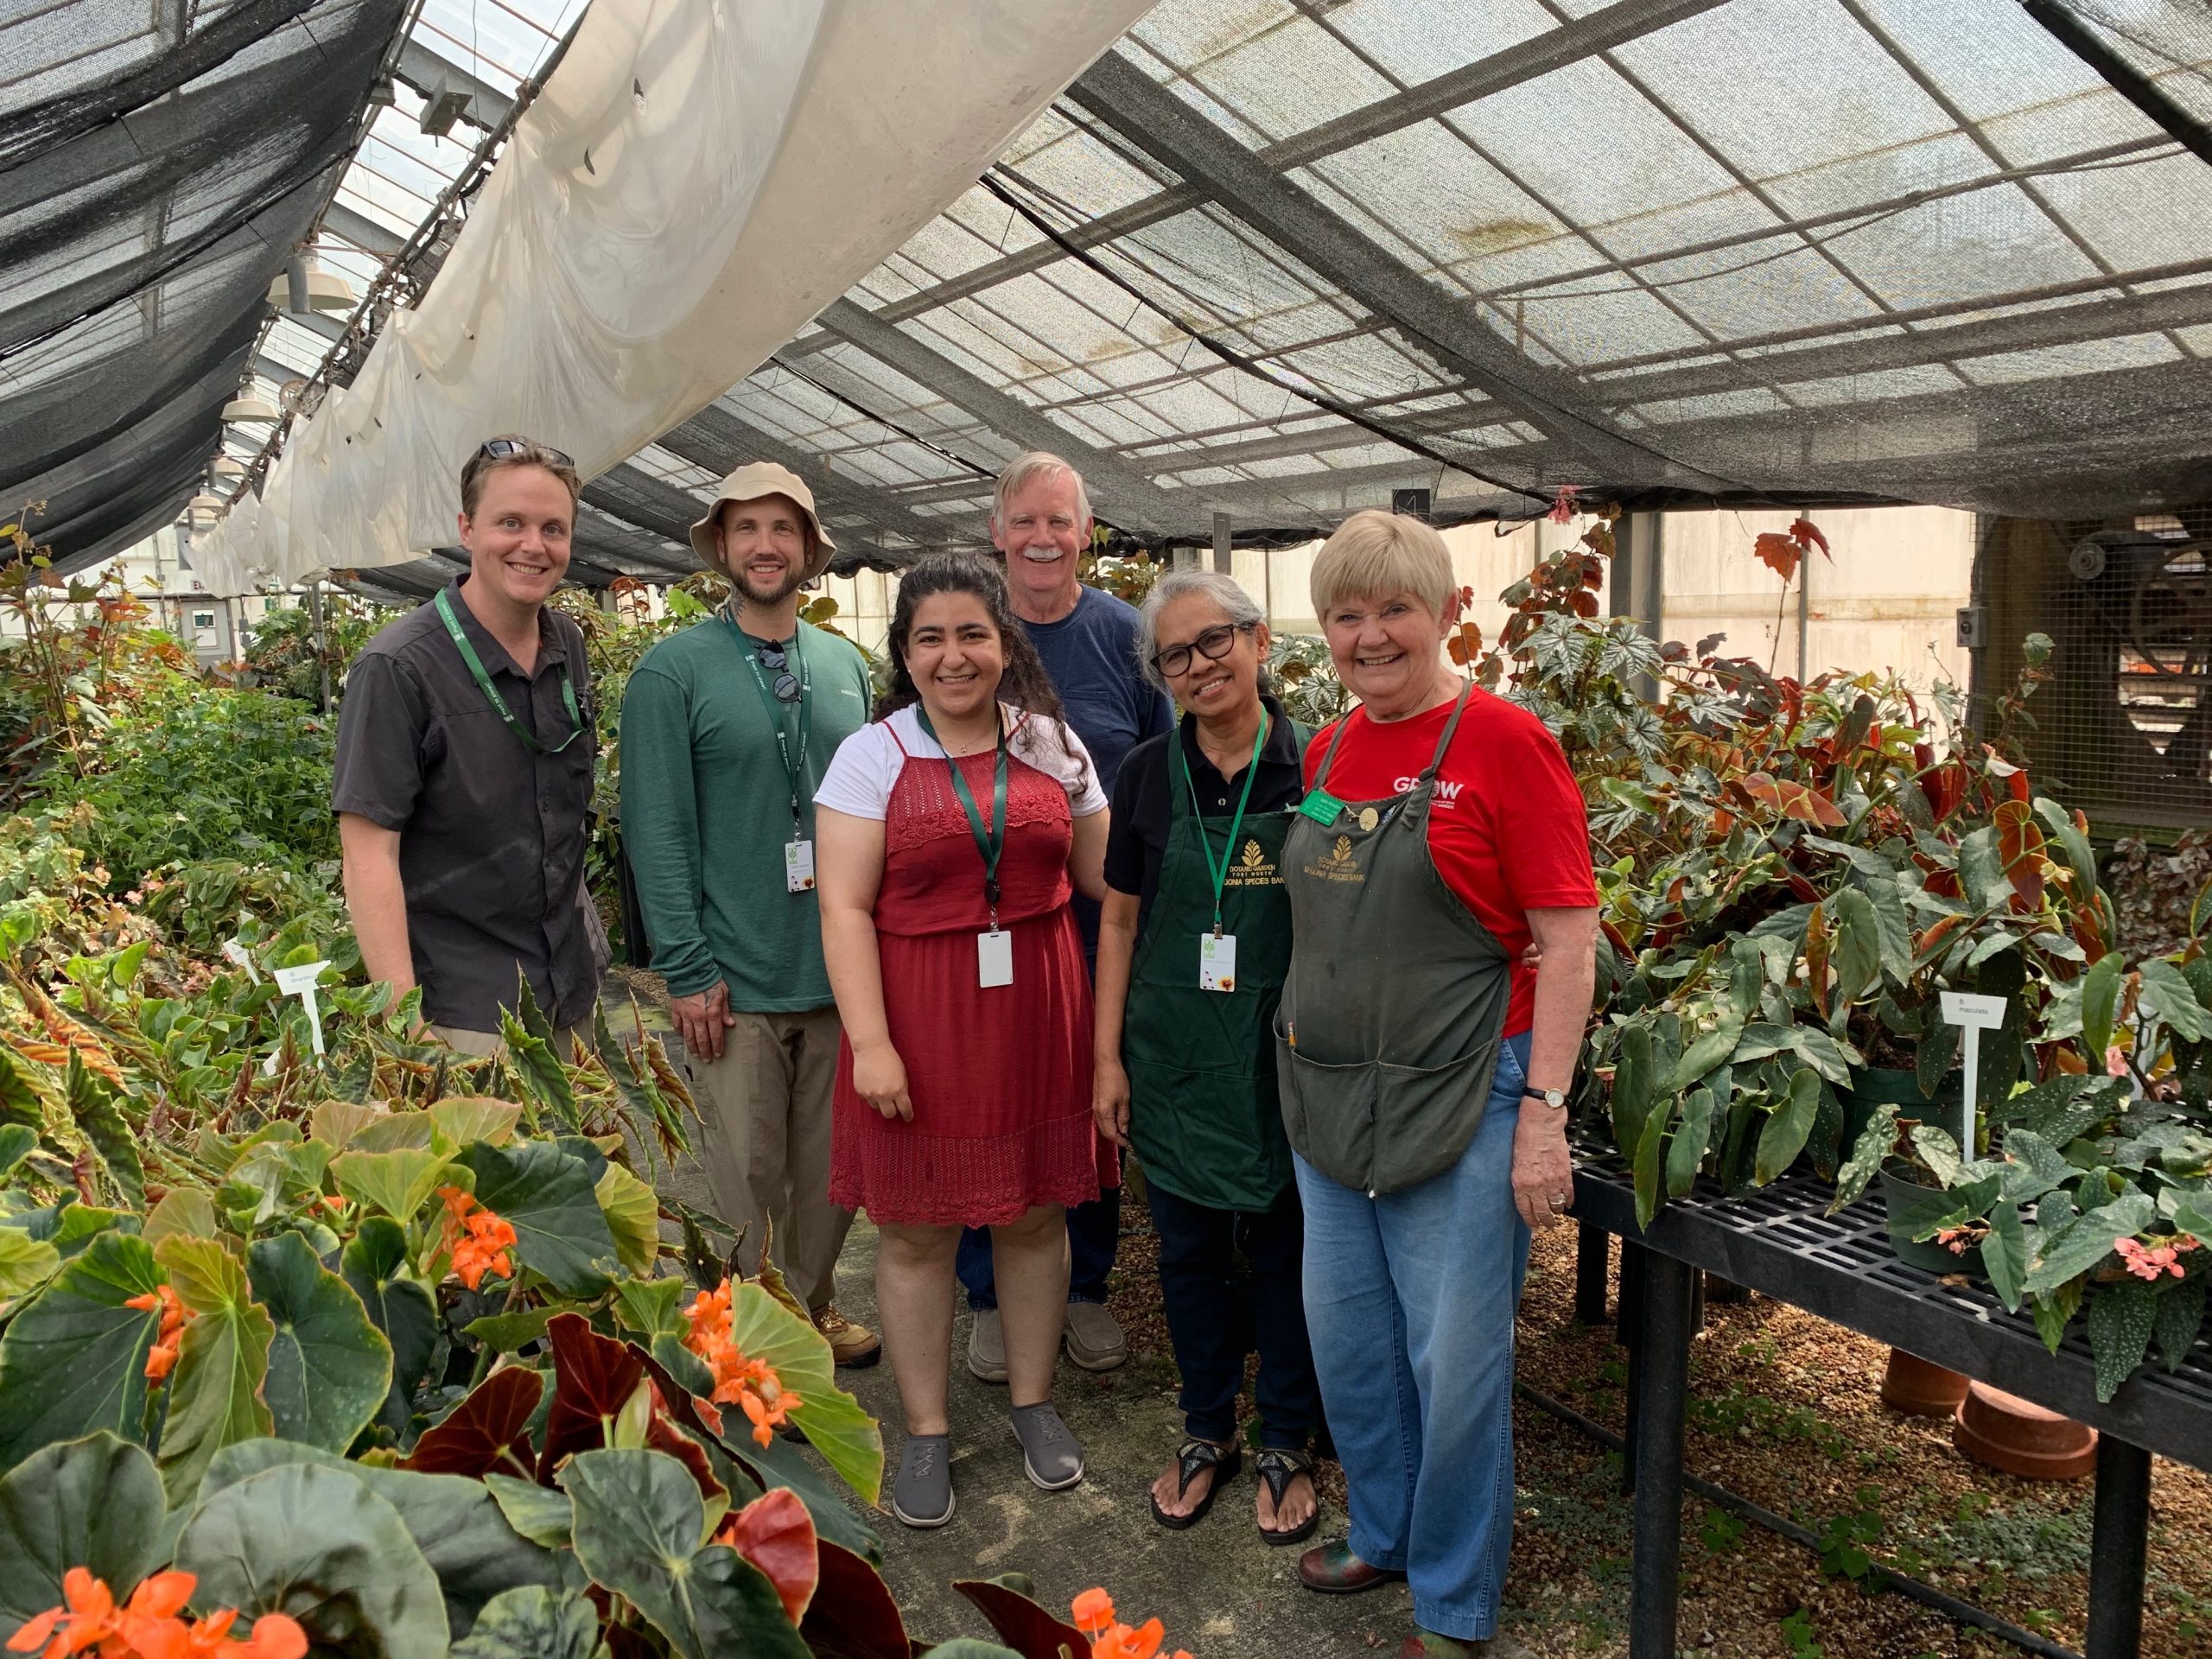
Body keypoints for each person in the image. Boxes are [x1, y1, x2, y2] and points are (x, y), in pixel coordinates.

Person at [1280, 512, 1598, 1659]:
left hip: (1468, 1090)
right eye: (1346, 615)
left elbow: (1568, 943)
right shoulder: (1325, 753)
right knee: (1352, 1342)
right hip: (1329, 1097)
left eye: (1394, 610)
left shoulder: (1506, 742)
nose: (1369, 638)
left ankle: (1454, 1605)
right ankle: (1388, 1530)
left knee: (1455, 1361)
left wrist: (1542, 1117)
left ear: (1448, 612)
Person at [814, 553, 1111, 1530]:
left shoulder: (1051, 744)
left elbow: (1108, 877)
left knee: (1032, 1217)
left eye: (972, 634)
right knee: (916, 1232)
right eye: (930, 638)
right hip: (919, 1017)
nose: (953, 656)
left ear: (1003, 642)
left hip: (1038, 1014)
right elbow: (846, 910)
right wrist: (871, 1044)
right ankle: (928, 1430)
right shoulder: (873, 754)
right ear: (905, 652)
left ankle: (1032, 1404)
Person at [620, 461, 880, 1368]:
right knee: (744, 1173)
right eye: (745, 530)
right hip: (734, 972)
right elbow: (655, 830)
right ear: (721, 548)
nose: (764, 546)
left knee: (829, 1172)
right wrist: (687, 968)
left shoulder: (846, 666)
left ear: (808, 549)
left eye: (782, 529)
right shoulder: (672, 672)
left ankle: (808, 1307)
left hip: (838, 968)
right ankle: (748, 1335)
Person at [1092, 568, 1324, 1545]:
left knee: (1281, 1254)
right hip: (1175, 1053)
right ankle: (1204, 1429)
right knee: (1186, 1254)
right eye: (1175, 656)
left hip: (1281, 1055)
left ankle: (1287, 1440)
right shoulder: (1148, 771)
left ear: (1260, 641)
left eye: (1214, 641)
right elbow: (1120, 921)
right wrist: (1106, 1061)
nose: (1197, 666)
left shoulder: (1316, 767)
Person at [961, 450, 1171, 1382]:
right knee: (985, 1092)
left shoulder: (1128, 637)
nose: (1042, 538)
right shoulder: (970, 630)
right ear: (996, 532)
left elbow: (1170, 769)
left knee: (1093, 1087)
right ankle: (985, 1291)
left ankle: (1082, 1287)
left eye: (1060, 521)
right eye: (1024, 520)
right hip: (982, 914)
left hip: (1098, 914)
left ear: (1088, 533)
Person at [334, 435, 607, 1054]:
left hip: (571, 997)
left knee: (586, 1153)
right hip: (466, 1016)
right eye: (510, 522)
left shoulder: (567, 644)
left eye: (553, 528)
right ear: (467, 528)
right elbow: (367, 854)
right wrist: (406, 1024)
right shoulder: (399, 667)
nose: (533, 546)